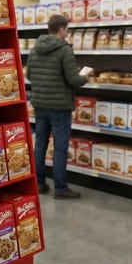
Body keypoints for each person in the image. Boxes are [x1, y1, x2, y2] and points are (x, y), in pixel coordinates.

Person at [27, 14, 91, 199]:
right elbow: (73, 79)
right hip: (60, 106)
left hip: (40, 104)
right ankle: (61, 188)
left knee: (40, 144)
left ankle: (39, 183)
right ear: (62, 29)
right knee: (60, 147)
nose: (67, 32)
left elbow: (30, 74)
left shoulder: (35, 49)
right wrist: (84, 78)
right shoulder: (64, 50)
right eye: (67, 29)